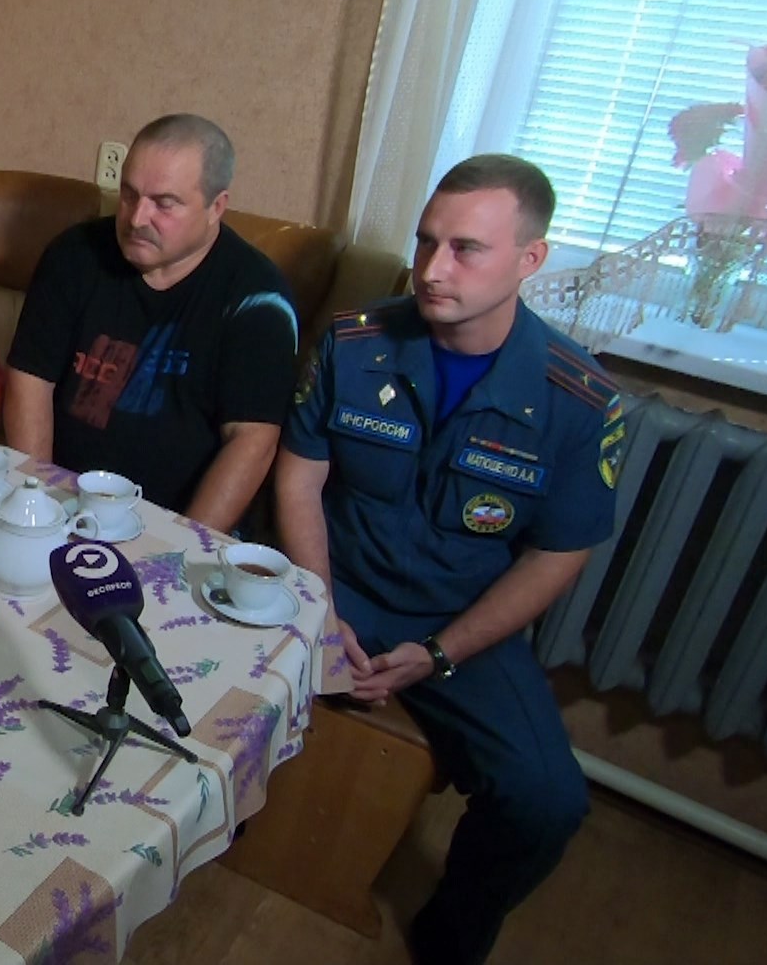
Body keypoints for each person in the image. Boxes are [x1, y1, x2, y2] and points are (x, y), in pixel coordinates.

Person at [274, 154, 625, 965]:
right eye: (427, 240)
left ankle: (450, 939)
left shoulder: (580, 401)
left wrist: (438, 653)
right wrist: (321, 608)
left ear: (530, 259)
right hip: (331, 582)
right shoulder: (355, 343)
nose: (432, 269)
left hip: (460, 620)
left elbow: (556, 556)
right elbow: (300, 478)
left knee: (546, 801)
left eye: (466, 248)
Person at [4, 113, 298, 530]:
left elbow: (252, 442)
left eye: (164, 203)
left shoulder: (258, 298)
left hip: (174, 523)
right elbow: (30, 381)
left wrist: (179, 546)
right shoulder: (73, 256)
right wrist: (40, 508)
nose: (137, 218)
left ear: (216, 207)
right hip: (62, 504)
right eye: (129, 195)